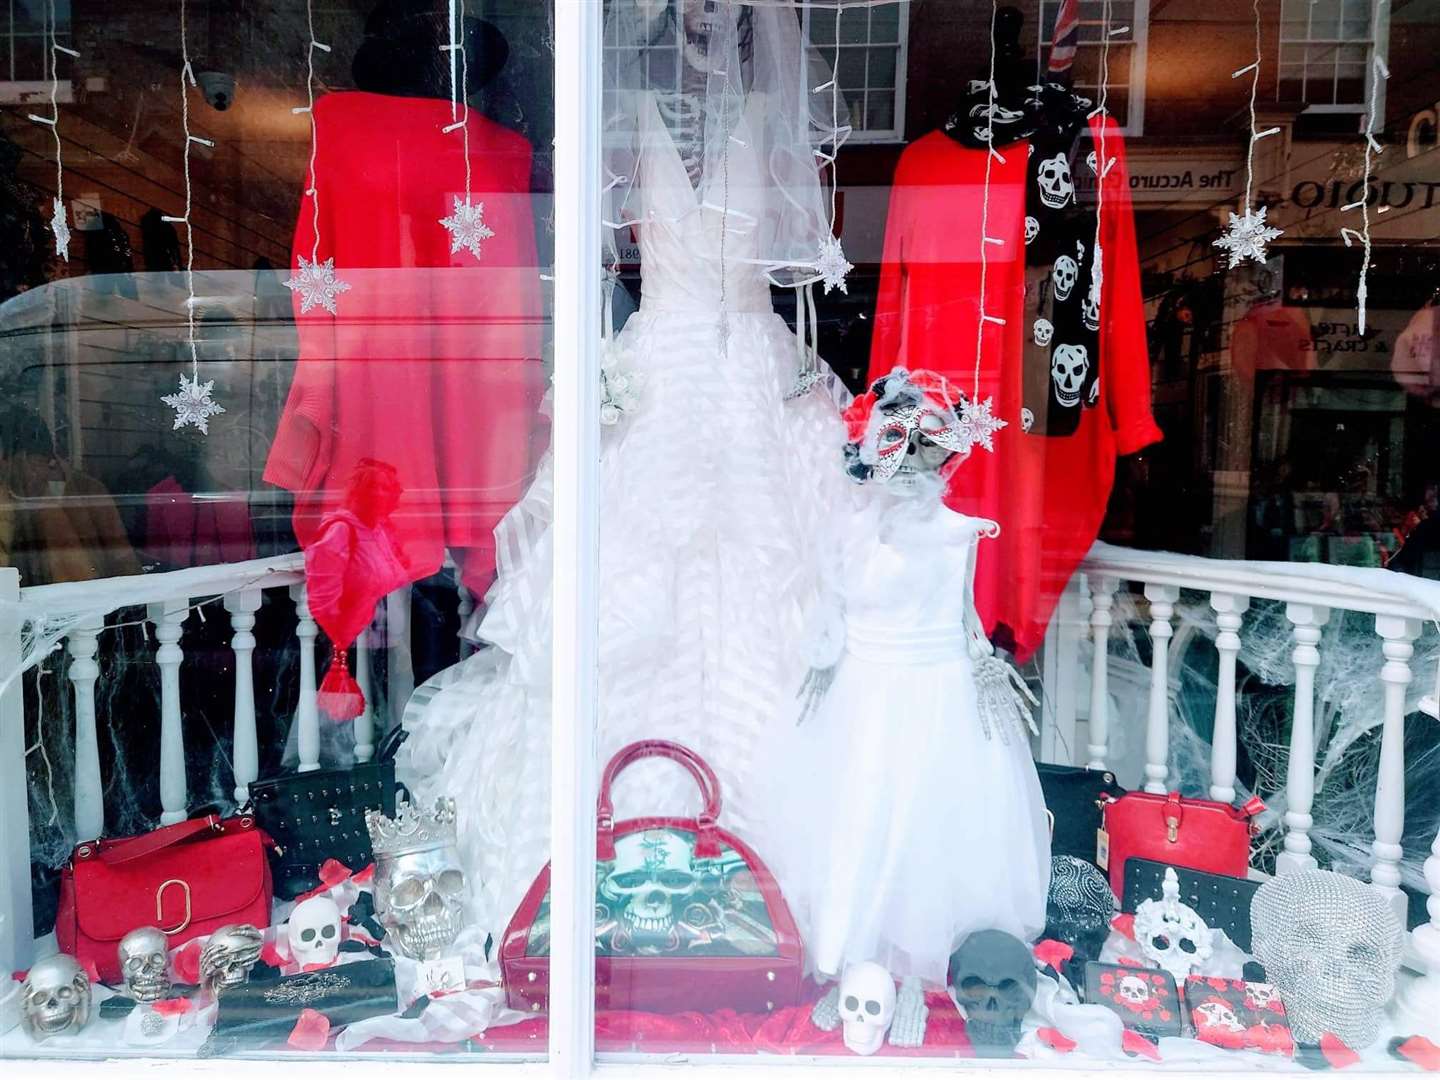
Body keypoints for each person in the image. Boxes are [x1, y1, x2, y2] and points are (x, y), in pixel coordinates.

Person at [0, 405, 140, 585]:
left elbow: (121, 556)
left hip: (84, 601)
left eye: (38, 463)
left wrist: (132, 603)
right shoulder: (16, 496)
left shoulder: (87, 491)